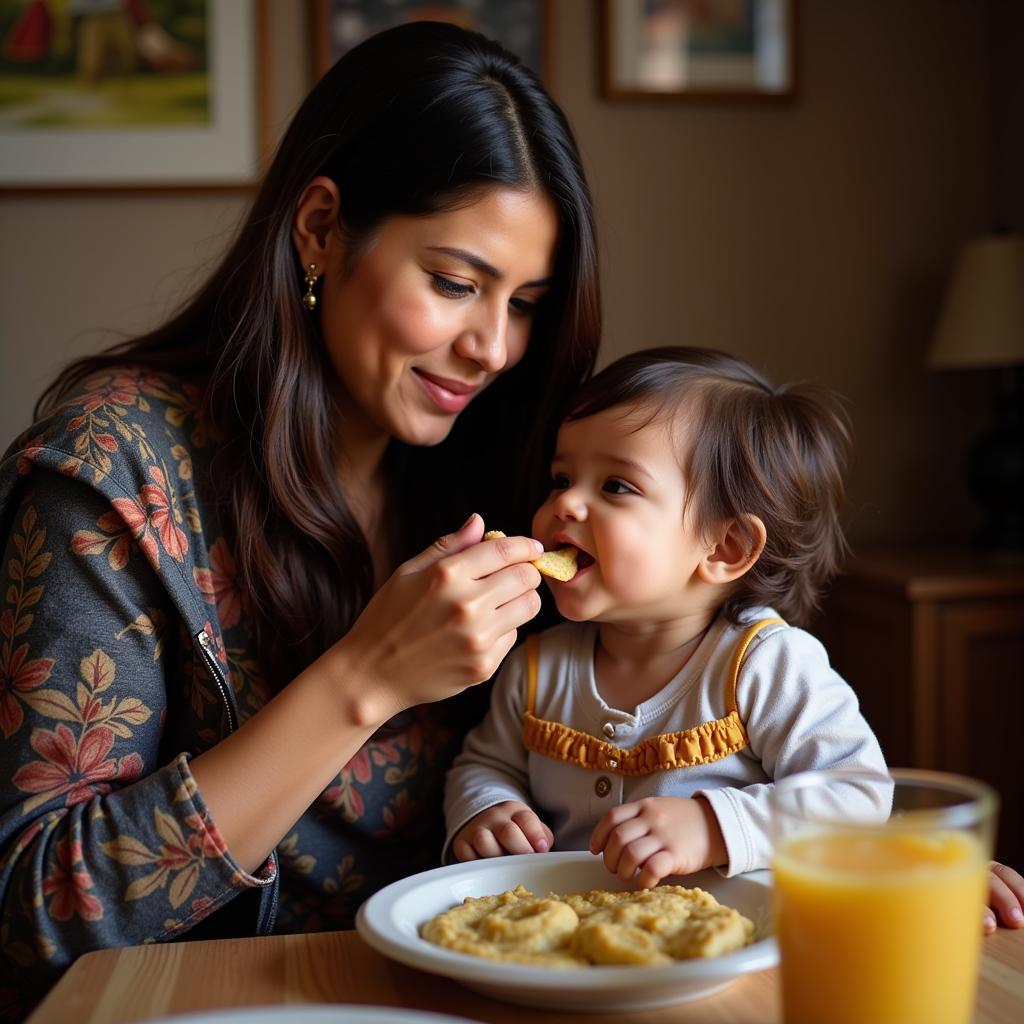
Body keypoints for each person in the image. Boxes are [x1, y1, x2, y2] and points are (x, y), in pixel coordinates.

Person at [0, 22, 600, 1019]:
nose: (493, 346)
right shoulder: (116, 467)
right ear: (321, 227)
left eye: (526, 302)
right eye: (453, 283)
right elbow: (34, 916)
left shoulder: (520, 469)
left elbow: (685, 705)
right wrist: (364, 680)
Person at [444, 347, 1024, 931]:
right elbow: (484, 763)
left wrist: (713, 826)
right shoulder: (538, 666)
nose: (564, 503)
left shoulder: (764, 664)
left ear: (725, 549)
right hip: (573, 942)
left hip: (737, 941)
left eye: (616, 485)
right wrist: (487, 808)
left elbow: (855, 794)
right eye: (562, 478)